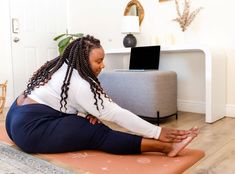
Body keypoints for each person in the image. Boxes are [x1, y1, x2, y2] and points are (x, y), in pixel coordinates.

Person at [5, 35, 199, 156]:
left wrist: (84, 113)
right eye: (98, 61)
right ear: (82, 59)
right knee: (97, 133)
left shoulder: (63, 65)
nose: (103, 65)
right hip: (29, 131)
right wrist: (157, 132)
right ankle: (165, 148)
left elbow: (64, 103)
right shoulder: (80, 84)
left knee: (88, 121)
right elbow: (116, 114)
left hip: (14, 117)